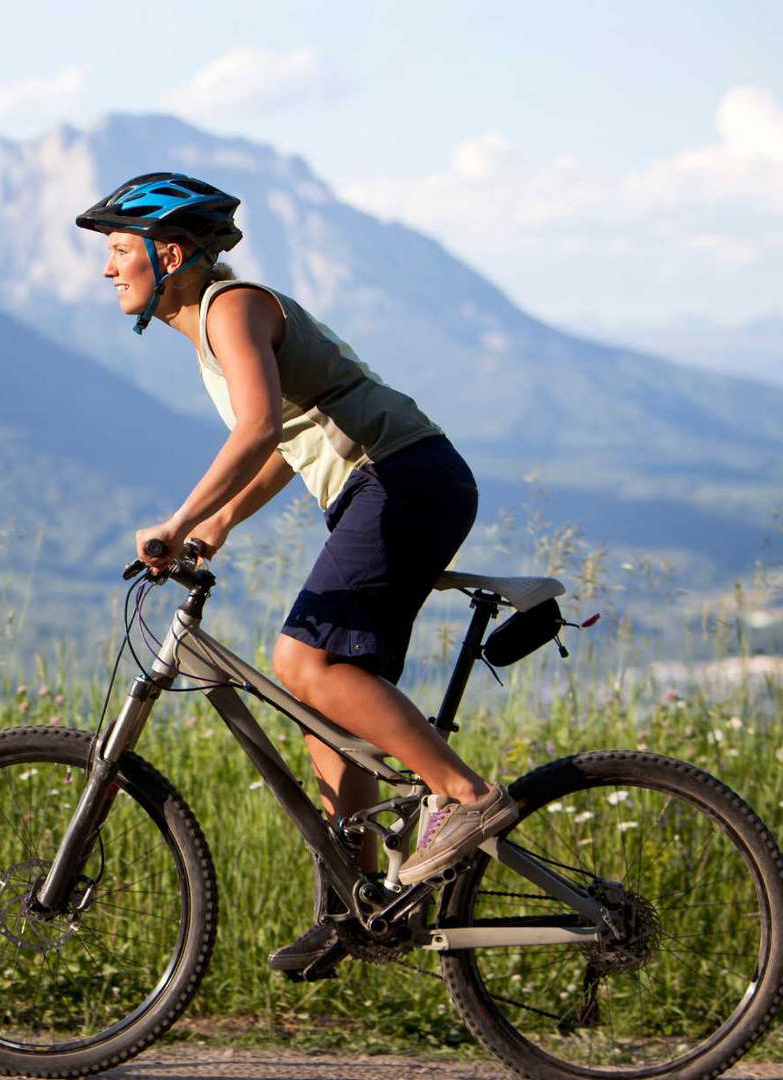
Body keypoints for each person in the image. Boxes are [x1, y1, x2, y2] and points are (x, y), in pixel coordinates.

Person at [74, 172, 518, 976]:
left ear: (166, 251)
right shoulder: (216, 327)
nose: (108, 269)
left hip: (401, 478)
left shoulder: (231, 309)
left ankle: (464, 798)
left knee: (300, 661)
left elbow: (254, 430)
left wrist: (176, 520)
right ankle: (356, 909)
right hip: (390, 484)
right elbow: (286, 439)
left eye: (116, 250)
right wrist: (217, 525)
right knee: (326, 716)